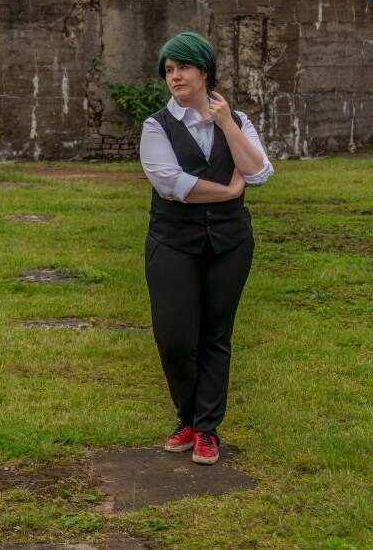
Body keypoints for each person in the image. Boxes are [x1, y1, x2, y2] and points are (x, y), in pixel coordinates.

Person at [139, 30, 274, 465]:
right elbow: (174, 185)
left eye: (183, 68)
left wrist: (227, 125)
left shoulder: (236, 119)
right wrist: (230, 191)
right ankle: (189, 415)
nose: (175, 77)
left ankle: (205, 428)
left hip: (230, 244)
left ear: (204, 72)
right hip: (172, 242)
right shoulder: (156, 125)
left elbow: (259, 172)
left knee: (215, 336)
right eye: (169, 70)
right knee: (175, 337)